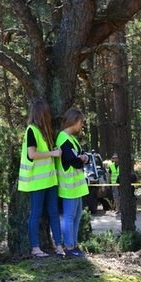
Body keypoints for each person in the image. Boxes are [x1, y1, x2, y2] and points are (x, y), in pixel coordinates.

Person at [18, 99, 63, 258]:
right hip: (36, 182)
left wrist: (54, 151)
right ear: (42, 114)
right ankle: (35, 248)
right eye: (47, 113)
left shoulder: (44, 132)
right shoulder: (31, 130)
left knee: (53, 212)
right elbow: (32, 154)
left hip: (50, 181)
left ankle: (58, 246)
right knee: (36, 213)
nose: (50, 116)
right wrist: (52, 153)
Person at [56, 108, 90, 258]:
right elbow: (74, 161)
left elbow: (83, 155)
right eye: (81, 122)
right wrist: (82, 159)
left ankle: (74, 244)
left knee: (76, 217)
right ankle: (69, 246)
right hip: (68, 186)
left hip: (77, 187)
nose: (82, 125)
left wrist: (83, 158)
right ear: (75, 121)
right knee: (69, 217)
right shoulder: (63, 138)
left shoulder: (72, 139)